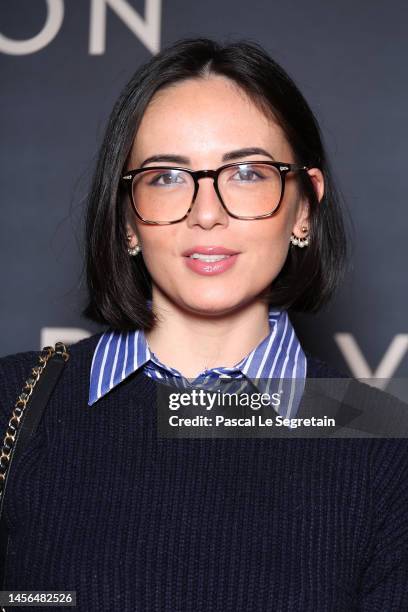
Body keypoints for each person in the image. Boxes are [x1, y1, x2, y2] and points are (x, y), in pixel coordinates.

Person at [0, 37, 407, 611]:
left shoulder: (387, 444)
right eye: (167, 176)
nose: (207, 212)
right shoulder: (14, 403)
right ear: (127, 221)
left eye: (246, 172)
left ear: (305, 209)